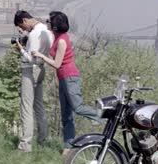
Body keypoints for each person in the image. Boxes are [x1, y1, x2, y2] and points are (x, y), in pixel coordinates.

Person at [31, 11, 99, 153]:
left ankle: (102, 116)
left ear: (55, 26)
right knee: (66, 114)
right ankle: (68, 147)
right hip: (62, 77)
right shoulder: (56, 36)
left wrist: (41, 56)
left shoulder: (62, 40)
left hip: (70, 76)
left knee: (77, 107)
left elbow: (57, 64)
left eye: (48, 21)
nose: (46, 23)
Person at [13, 10, 54, 152]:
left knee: (26, 108)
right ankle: (43, 139)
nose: (23, 30)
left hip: (30, 70)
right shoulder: (45, 30)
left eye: (22, 27)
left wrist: (21, 49)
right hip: (41, 70)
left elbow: (32, 58)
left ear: (24, 20)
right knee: (39, 106)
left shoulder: (34, 34)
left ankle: (25, 145)